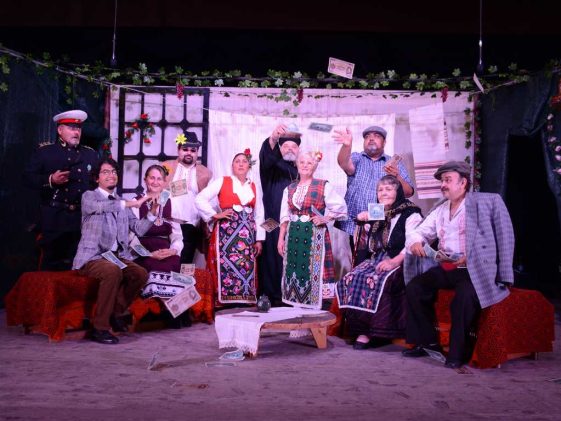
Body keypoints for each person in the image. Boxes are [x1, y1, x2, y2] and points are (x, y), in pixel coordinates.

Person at [403, 161, 515, 368]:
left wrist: (505, 275)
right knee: (415, 287)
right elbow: (419, 231)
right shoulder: (440, 209)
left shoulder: (488, 202)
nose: (443, 185)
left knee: (463, 297)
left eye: (448, 180)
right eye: (442, 181)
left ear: (463, 183)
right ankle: (427, 343)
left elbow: (505, 235)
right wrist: (416, 241)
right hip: (448, 267)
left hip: (475, 269)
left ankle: (458, 354)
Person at [72, 158, 159, 345]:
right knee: (112, 271)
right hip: (92, 257)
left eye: (113, 172)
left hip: (115, 257)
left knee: (139, 273)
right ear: (96, 178)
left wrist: (152, 211)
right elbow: (101, 207)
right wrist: (131, 204)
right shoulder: (89, 197)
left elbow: (138, 229)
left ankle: (115, 313)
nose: (111, 175)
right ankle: (99, 328)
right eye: (105, 172)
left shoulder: (121, 202)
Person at [336, 175, 422, 349]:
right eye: (380, 190)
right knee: (351, 277)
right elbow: (369, 242)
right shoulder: (378, 211)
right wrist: (363, 223)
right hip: (378, 257)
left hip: (402, 260)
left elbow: (413, 243)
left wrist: (394, 262)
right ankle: (359, 329)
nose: (383, 193)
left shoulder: (410, 212)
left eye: (389, 189)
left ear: (398, 192)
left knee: (377, 279)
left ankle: (377, 332)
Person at [24, 110, 99, 270]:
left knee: (78, 267)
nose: (76, 132)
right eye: (71, 128)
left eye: (78, 128)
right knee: (50, 267)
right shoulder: (45, 152)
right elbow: (28, 179)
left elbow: (95, 185)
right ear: (60, 130)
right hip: (54, 219)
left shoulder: (90, 155)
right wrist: (51, 180)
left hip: (81, 220)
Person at [278, 150, 347, 309]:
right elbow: (284, 216)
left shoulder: (323, 185)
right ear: (296, 164)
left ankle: (314, 313)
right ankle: (296, 311)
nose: (305, 165)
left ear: (314, 166)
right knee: (294, 272)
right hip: (293, 237)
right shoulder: (289, 189)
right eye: (302, 162)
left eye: (309, 163)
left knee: (313, 271)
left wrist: (325, 218)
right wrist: (281, 239)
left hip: (314, 235)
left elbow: (340, 207)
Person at [195, 149, 265, 304]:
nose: (241, 164)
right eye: (237, 161)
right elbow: (200, 199)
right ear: (232, 166)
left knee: (245, 266)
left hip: (247, 237)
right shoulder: (222, 181)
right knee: (224, 266)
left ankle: (244, 300)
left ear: (249, 166)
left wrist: (259, 240)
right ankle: (223, 302)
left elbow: (259, 214)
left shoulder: (254, 186)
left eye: (244, 161)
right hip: (225, 235)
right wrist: (215, 215)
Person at [333, 125, 414, 252]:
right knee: (358, 259)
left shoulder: (394, 163)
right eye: (367, 136)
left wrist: (397, 176)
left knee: (381, 259)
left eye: (376, 136)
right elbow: (344, 163)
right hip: (356, 224)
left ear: (384, 142)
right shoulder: (357, 157)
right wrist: (346, 146)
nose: (371, 138)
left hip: (384, 224)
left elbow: (409, 192)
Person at [259, 123, 301, 305]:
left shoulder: (300, 170)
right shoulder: (271, 165)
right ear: (279, 149)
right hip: (271, 220)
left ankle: (290, 295)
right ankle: (271, 297)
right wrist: (273, 139)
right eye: (286, 146)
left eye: (294, 146)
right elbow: (267, 155)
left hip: (292, 222)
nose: (290, 149)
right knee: (270, 258)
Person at [130, 165, 184, 299]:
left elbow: (177, 235)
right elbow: (130, 237)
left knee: (175, 262)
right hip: (143, 252)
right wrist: (148, 254)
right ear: (145, 180)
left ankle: (172, 308)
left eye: (159, 179)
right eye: (152, 178)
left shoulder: (172, 203)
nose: (155, 182)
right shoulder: (135, 203)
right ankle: (155, 304)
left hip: (166, 252)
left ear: (164, 182)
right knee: (151, 265)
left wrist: (173, 250)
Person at [162, 131, 212, 264]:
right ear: (178, 150)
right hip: (167, 222)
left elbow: (208, 201)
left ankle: (184, 279)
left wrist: (207, 225)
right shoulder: (166, 167)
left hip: (191, 225)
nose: (189, 153)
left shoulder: (205, 173)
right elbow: (159, 190)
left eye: (193, 150)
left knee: (186, 263)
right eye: (185, 149)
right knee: (167, 261)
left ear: (197, 153)